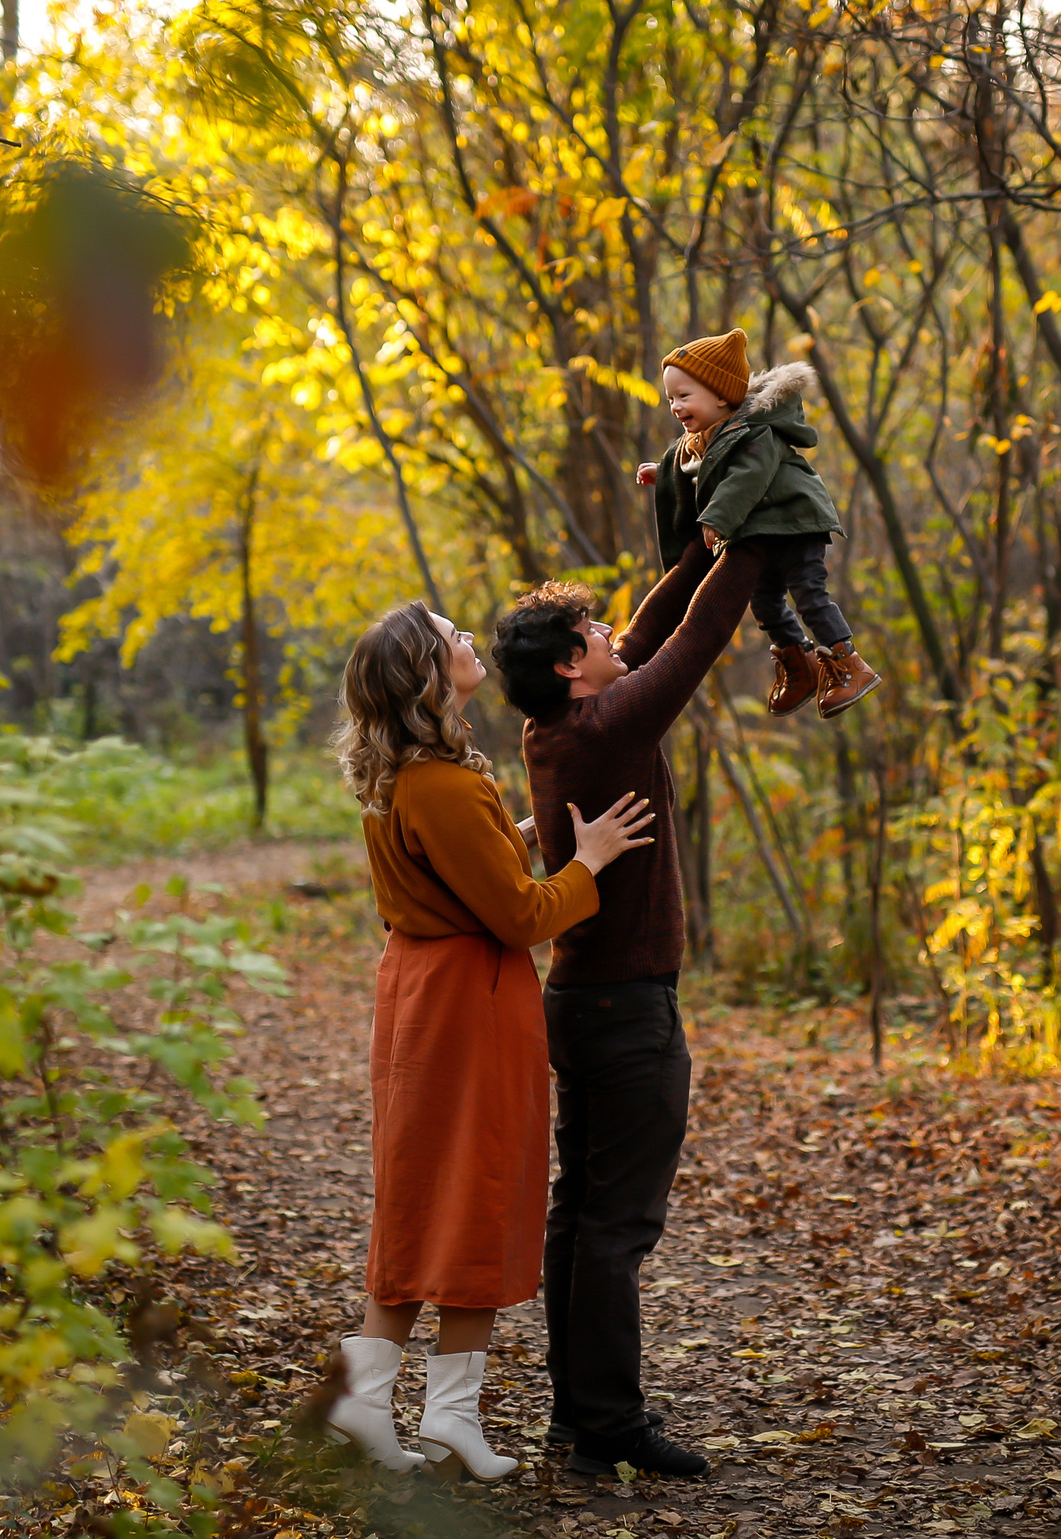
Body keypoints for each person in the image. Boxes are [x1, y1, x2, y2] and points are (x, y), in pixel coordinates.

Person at [322, 603, 659, 1481]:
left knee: (417, 1200)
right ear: (428, 674)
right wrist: (588, 862)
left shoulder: (405, 775)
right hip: (469, 1004)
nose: (470, 641)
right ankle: (449, 1419)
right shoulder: (446, 781)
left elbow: (459, 871)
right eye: (452, 637)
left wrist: (533, 836)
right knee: (477, 1199)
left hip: (418, 996)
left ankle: (367, 1402)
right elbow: (517, 914)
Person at [490, 529, 769, 1480]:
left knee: (585, 1214)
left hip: (587, 1001)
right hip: (624, 1013)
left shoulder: (556, 724)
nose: (612, 632)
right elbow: (692, 643)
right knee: (616, 1225)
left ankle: (581, 1414)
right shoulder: (605, 729)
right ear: (574, 667)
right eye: (592, 630)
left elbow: (651, 635)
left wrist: (699, 543)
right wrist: (754, 540)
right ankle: (605, 1422)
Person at [635, 328, 880, 720]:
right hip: (765, 529)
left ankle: (850, 665)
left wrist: (717, 517)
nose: (675, 407)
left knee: (809, 593)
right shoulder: (704, 437)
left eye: (684, 396)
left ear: (720, 395)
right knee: (765, 602)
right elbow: (694, 464)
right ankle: (801, 666)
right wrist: (662, 471)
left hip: (796, 520)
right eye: (670, 399)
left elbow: (744, 477)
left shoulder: (756, 432)